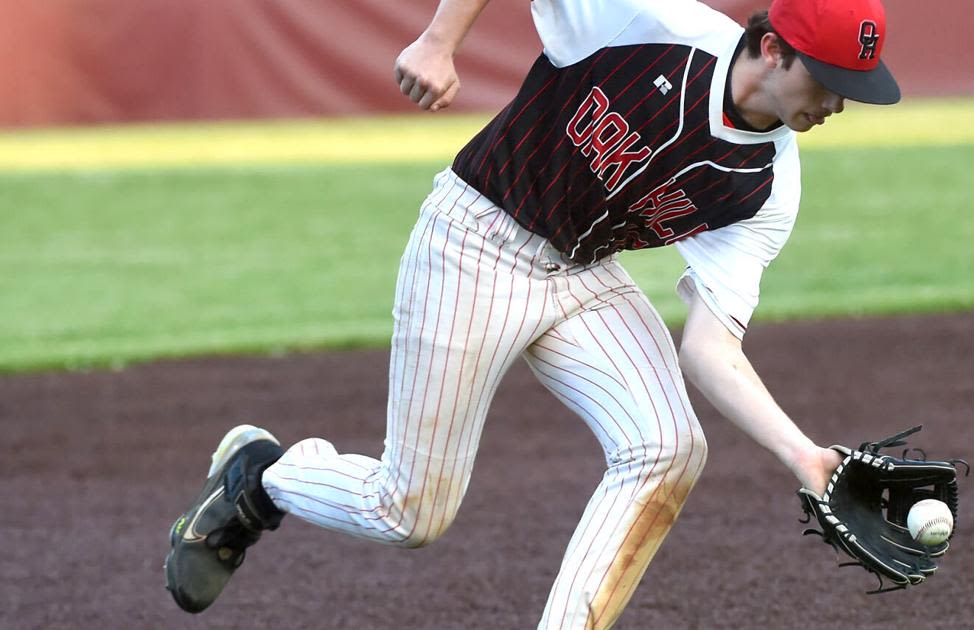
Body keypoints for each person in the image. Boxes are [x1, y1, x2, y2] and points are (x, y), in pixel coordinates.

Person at [164, 0, 902, 626]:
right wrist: (438, 40)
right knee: (410, 514)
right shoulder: (653, 26)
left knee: (670, 446)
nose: (838, 102)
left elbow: (711, 346)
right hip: (476, 240)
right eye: (829, 79)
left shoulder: (768, 184)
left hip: (583, 275)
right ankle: (261, 476)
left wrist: (805, 455)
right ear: (772, 49)